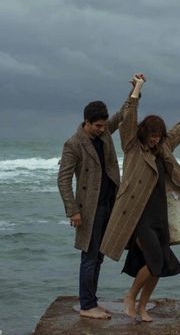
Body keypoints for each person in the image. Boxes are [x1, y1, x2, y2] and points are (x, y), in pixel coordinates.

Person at [101, 75, 180, 322]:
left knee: (161, 263)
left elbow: (176, 133)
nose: (155, 139)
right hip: (138, 215)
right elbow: (129, 116)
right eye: (152, 135)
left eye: (158, 136)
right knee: (155, 261)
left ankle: (143, 306)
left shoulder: (163, 147)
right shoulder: (132, 147)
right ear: (143, 133)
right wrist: (137, 89)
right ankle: (130, 296)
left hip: (160, 215)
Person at [57, 88, 132, 320]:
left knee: (98, 257)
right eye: (97, 126)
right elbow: (63, 179)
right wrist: (73, 211)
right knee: (89, 258)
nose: (102, 129)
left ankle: (92, 302)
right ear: (86, 122)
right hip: (89, 208)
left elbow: (122, 114)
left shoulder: (105, 132)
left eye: (103, 125)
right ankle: (87, 306)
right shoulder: (73, 144)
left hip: (110, 203)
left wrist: (135, 90)